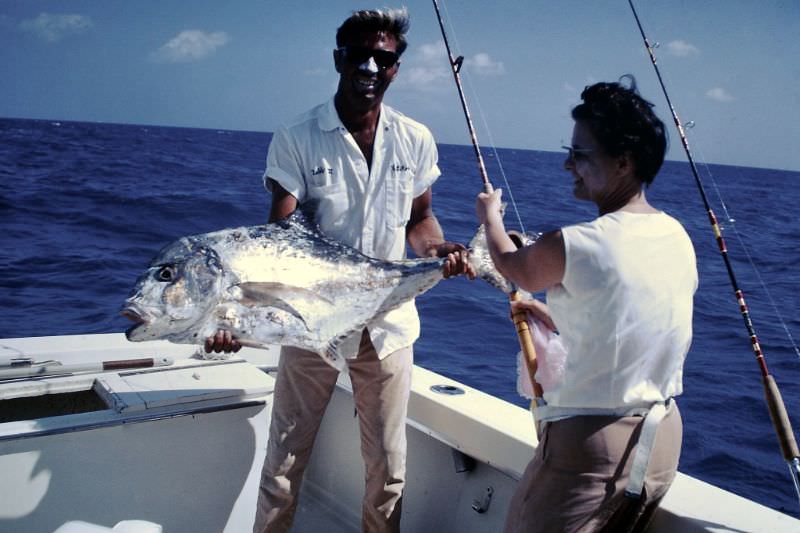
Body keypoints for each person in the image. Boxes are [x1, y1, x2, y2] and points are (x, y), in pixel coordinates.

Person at [207, 8, 473, 532]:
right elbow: (277, 243)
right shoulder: (298, 136)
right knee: (284, 463)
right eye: (359, 56)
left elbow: (420, 219)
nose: (371, 68)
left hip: (388, 326)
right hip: (309, 322)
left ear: (397, 68)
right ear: (338, 60)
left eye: (384, 59)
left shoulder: (415, 138)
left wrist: (438, 248)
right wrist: (237, 319)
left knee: (389, 472)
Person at [476, 77, 697, 532]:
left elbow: (514, 267)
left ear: (623, 162)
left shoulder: (575, 242)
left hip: (593, 449)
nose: (567, 165)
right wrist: (555, 315)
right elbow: (633, 318)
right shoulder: (677, 235)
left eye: (579, 154)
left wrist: (490, 217)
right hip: (661, 439)